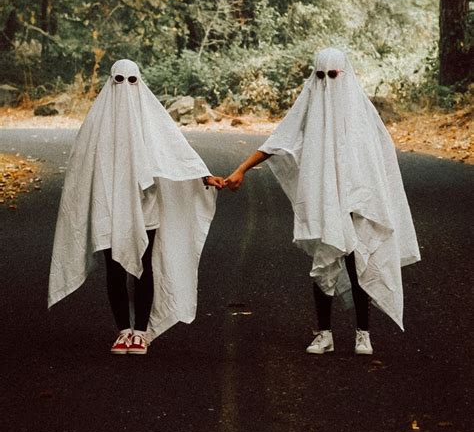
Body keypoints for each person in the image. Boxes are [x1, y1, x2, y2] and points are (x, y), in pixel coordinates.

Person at [225, 47, 420, 355]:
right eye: (319, 76)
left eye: (332, 75)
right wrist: (241, 170)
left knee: (359, 263)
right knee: (324, 259)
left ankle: (363, 334)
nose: (326, 83)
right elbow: (279, 140)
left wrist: (372, 200)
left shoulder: (362, 112)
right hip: (323, 196)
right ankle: (324, 334)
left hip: (358, 199)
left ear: (345, 74)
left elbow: (379, 159)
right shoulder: (309, 106)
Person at [48, 59, 225, 355]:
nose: (126, 87)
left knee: (143, 267)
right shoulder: (97, 122)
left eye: (132, 81)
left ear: (139, 82)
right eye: (119, 80)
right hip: (109, 204)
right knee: (114, 268)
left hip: (146, 206)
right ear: (110, 82)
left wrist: (203, 177)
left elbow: (175, 152)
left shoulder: (152, 118)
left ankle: (141, 331)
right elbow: (81, 166)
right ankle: (123, 331)